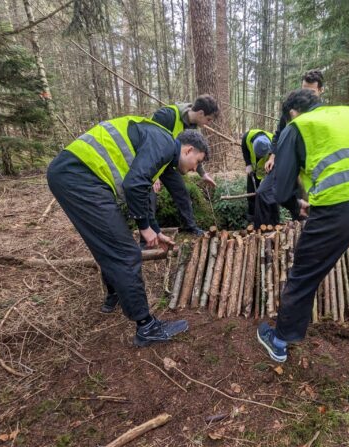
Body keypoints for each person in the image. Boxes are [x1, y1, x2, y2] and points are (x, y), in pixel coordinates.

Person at [256, 90, 349, 378]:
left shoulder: (298, 126)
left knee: (305, 273)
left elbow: (281, 189)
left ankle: (280, 341)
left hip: (338, 204)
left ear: (293, 113)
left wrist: (296, 205)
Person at [47, 113, 210, 347]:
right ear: (188, 150)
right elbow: (134, 184)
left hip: (74, 175)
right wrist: (144, 227)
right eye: (197, 161)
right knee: (125, 253)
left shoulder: (160, 148)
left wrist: (155, 228)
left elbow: (142, 189)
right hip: (79, 177)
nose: (195, 168)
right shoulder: (164, 142)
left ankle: (114, 295)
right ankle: (147, 327)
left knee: (109, 247)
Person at [253, 70, 325, 226]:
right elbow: (278, 135)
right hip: (286, 162)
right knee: (263, 193)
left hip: (308, 170)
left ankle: (302, 236)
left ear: (320, 90)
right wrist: (272, 156)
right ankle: (266, 233)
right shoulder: (292, 108)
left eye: (311, 90)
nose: (306, 93)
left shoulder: (324, 116)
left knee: (304, 209)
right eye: (304, 88)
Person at [148, 94, 219, 236]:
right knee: (150, 195)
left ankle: (190, 227)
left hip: (167, 164)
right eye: (208, 119)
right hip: (149, 163)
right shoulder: (167, 115)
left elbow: (193, 152)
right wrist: (153, 175)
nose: (208, 123)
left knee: (181, 191)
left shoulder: (193, 128)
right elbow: (149, 143)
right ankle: (147, 237)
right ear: (200, 113)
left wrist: (203, 174)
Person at [240, 129, 273, 222]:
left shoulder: (274, 141)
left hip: (267, 170)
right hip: (253, 170)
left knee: (266, 194)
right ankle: (251, 218)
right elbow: (244, 149)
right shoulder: (247, 137)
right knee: (251, 193)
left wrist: (268, 175)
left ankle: (267, 218)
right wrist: (248, 164)